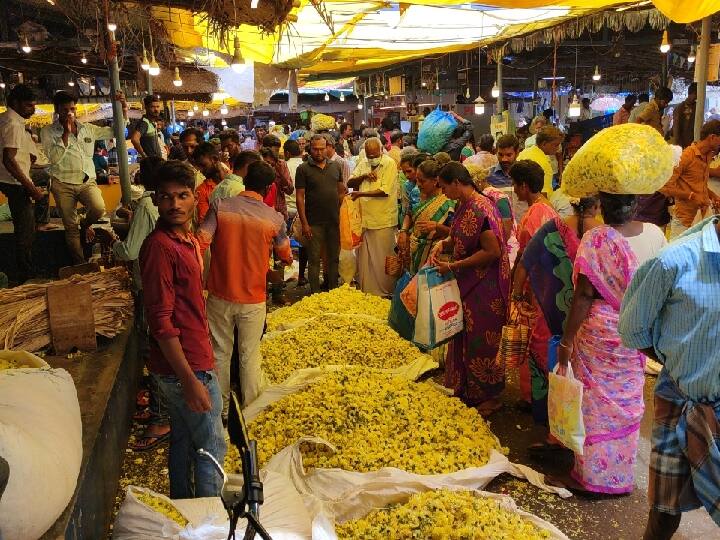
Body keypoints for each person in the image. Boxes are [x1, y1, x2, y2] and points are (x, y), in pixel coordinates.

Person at [549, 193, 666, 495]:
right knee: (625, 402)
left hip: (599, 330)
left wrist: (567, 338)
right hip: (635, 330)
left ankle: (590, 477)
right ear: (636, 203)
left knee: (595, 404)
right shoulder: (655, 235)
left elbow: (585, 294)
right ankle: (618, 477)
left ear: (601, 205)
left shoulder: (597, 238)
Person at [619, 216, 720, 539]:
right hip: (680, 399)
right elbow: (633, 328)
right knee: (664, 511)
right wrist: (675, 361)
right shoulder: (672, 262)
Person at [139, 160, 226, 499]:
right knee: (211, 446)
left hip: (191, 360)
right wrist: (190, 379)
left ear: (194, 199)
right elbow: (161, 322)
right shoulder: (160, 247)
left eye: (182, 196)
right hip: (183, 367)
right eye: (165, 197)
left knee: (185, 438)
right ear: (156, 201)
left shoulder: (185, 240)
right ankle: (209, 522)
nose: (174, 204)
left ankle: (184, 509)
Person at [198, 161, 292, 412]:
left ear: (245, 178)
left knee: (220, 353)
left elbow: (201, 241)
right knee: (249, 355)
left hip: (220, 292)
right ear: (269, 187)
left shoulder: (220, 207)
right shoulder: (274, 218)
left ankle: (221, 409)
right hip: (253, 297)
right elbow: (285, 255)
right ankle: (252, 410)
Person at [520, 196, 602, 453]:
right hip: (591, 320)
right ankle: (583, 435)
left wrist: (516, 294)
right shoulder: (604, 234)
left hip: (554, 316)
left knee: (552, 367)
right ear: (597, 206)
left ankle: (554, 431)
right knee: (586, 377)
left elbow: (526, 260)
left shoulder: (553, 228)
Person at [429, 162, 510, 415]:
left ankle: (490, 397)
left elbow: (492, 251)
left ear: (456, 182)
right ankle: (467, 389)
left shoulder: (480, 208)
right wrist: (444, 244)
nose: (443, 193)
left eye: (444, 187)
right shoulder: (465, 205)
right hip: (470, 283)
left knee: (482, 341)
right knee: (465, 334)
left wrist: (454, 266)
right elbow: (460, 235)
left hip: (486, 287)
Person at [109, 156, 170, 451]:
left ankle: (161, 417)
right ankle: (159, 407)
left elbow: (132, 249)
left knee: (153, 348)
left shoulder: (148, 205)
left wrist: (113, 241)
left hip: (149, 283)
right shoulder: (159, 206)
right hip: (160, 282)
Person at [41, 90, 128, 265]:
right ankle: (82, 265)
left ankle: (84, 223)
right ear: (57, 110)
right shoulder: (48, 132)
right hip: (62, 183)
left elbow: (116, 131)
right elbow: (53, 159)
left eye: (71, 109)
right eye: (65, 110)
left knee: (98, 208)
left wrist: (123, 108)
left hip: (86, 181)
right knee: (70, 228)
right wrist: (65, 134)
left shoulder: (88, 129)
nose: (69, 113)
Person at [509, 160, 560, 406]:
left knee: (534, 339)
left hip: (536, 285)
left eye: (516, 185)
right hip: (549, 284)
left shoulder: (534, 214)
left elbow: (526, 257)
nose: (514, 190)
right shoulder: (548, 209)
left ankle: (535, 397)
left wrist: (517, 291)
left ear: (524, 186)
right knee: (540, 337)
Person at [0, 84, 43, 284]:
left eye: (33, 105)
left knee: (26, 228)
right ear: (15, 103)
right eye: (28, 106)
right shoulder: (13, 123)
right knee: (25, 233)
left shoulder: (10, 120)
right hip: (15, 183)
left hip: (15, 180)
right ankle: (25, 277)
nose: (32, 109)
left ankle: (25, 272)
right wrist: (31, 188)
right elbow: (9, 160)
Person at [349, 137, 400, 296]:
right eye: (369, 156)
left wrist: (361, 193)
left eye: (374, 155)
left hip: (383, 220)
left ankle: (386, 292)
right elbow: (350, 182)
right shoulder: (363, 162)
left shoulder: (389, 164)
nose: (372, 159)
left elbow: (385, 191)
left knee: (382, 258)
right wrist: (363, 176)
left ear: (381, 151)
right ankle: (368, 291)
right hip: (365, 220)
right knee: (365, 259)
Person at [295, 135, 345, 294]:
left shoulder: (335, 166)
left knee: (333, 258)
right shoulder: (303, 169)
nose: (318, 152)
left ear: (327, 147)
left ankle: (333, 289)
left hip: (333, 221)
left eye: (322, 149)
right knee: (314, 258)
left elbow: (340, 191)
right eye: (315, 149)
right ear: (310, 149)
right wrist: (304, 223)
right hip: (313, 222)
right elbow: (300, 197)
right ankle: (315, 293)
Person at [660, 120, 720, 239]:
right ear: (712, 137)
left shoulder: (708, 155)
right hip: (684, 220)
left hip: (702, 218)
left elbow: (698, 184)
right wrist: (690, 195)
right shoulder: (686, 156)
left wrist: (713, 196)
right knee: (676, 256)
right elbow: (664, 187)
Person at [398, 159, 454, 274]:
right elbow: (409, 213)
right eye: (417, 179)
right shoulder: (415, 193)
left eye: (422, 181)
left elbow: (455, 233)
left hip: (435, 257)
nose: (418, 184)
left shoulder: (447, 200)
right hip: (414, 253)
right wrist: (403, 231)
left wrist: (437, 227)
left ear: (435, 181)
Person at [283, 139, 308, 286]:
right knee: (303, 243)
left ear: (286, 153)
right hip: (302, 211)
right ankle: (301, 276)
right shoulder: (305, 167)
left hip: (286, 210)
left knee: (281, 243)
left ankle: (283, 276)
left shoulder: (283, 166)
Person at [517, 126, 563, 196]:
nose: (557, 148)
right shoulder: (543, 162)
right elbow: (543, 194)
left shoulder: (525, 152)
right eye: (556, 145)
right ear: (544, 144)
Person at [261, 134, 294, 221]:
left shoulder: (281, 164)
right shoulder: (257, 164)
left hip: (279, 213)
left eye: (278, 150)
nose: (276, 153)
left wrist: (281, 174)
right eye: (275, 150)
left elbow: (290, 190)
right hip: (262, 213)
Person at [193, 142, 223, 224]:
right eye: (199, 166)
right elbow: (206, 223)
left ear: (214, 159)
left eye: (203, 165)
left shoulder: (233, 178)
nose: (200, 170)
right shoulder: (202, 190)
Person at [130, 95, 163, 160]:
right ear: (146, 107)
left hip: (156, 162)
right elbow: (134, 139)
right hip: (151, 164)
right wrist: (144, 156)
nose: (156, 109)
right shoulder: (144, 123)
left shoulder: (151, 122)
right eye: (152, 107)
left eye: (157, 107)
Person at [673, 82, 698, 149]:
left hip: (695, 142)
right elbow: (676, 127)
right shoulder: (680, 108)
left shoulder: (697, 107)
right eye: (696, 94)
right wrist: (677, 145)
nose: (698, 96)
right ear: (692, 93)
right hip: (683, 143)